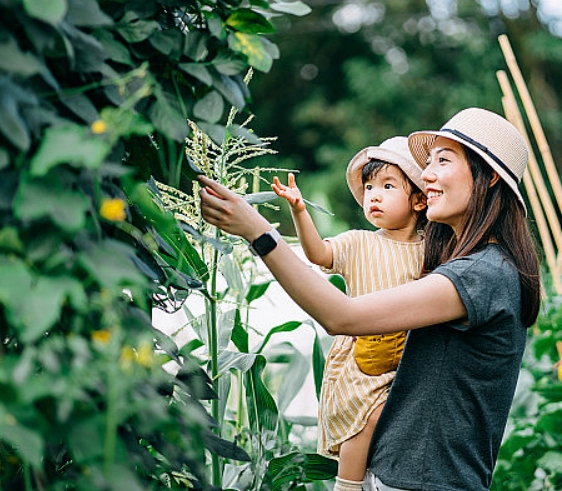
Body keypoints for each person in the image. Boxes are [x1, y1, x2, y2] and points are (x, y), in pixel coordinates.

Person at [198, 107, 541, 491]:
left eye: (442, 161)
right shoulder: (470, 265)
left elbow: (341, 316)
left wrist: (260, 232)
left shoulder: (481, 274)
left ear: (489, 176)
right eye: (427, 162)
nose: (425, 174)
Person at [270, 137, 427, 491]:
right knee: (366, 417)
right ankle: (348, 485)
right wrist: (299, 211)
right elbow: (318, 254)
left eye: (388, 186)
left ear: (419, 200)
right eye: (370, 187)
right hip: (362, 358)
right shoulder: (359, 242)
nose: (373, 194)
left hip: (408, 357)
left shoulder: (431, 250)